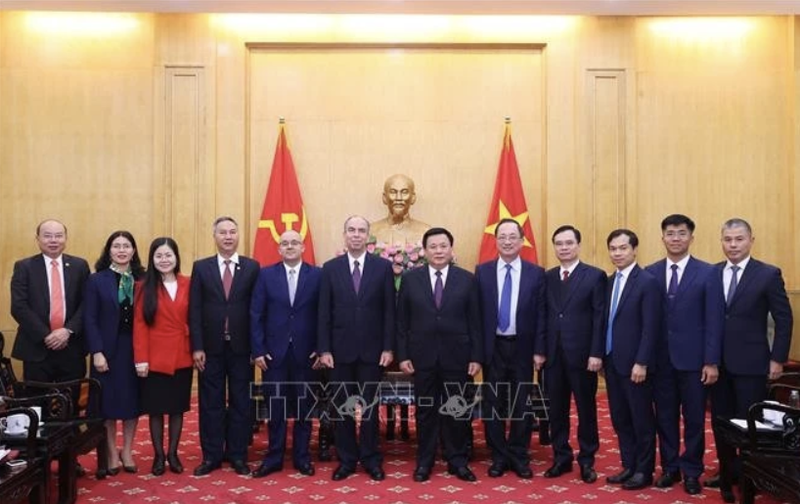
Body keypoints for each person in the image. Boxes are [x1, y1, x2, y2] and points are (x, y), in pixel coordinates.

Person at [709, 218, 793, 502]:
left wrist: (777, 358)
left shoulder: (768, 274)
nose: (732, 245)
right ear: (721, 241)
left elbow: (784, 319)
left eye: (738, 239)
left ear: (750, 240)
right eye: (727, 239)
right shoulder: (713, 272)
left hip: (752, 363)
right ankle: (726, 471)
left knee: (748, 424)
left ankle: (750, 476)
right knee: (721, 423)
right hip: (716, 364)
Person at [644, 215, 724, 495]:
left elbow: (714, 320)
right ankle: (669, 467)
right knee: (664, 417)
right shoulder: (650, 273)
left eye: (681, 233)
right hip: (661, 361)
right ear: (662, 237)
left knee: (693, 419)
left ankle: (691, 470)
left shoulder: (708, 272)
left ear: (691, 237)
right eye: (670, 233)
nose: (675, 238)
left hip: (694, 362)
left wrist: (711, 360)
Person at [397, 227, 483, 483]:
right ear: (424, 251)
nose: (438, 251)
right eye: (432, 246)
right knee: (425, 411)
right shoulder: (411, 279)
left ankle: (457, 461)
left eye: (443, 246)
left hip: (458, 357)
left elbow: (475, 321)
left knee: (456, 410)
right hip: (422, 358)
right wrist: (403, 355)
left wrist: (476, 357)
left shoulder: (467, 279)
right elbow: (402, 322)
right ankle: (425, 461)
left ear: (451, 249)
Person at [10, 219, 91, 475]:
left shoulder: (79, 266)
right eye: (48, 236)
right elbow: (19, 307)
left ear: (65, 238)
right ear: (38, 238)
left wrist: (67, 331)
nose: (53, 240)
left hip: (71, 346)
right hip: (37, 348)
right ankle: (38, 460)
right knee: (37, 405)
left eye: (58, 235)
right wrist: (47, 335)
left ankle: (70, 458)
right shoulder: (24, 267)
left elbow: (86, 305)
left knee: (70, 405)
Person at [317, 215, 395, 481]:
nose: (356, 235)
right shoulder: (330, 268)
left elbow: (389, 312)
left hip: (373, 352)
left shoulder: (383, 267)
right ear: (344, 234)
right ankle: (347, 459)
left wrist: (388, 347)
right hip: (339, 353)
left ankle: (372, 458)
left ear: (368, 236)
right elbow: (323, 313)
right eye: (351, 230)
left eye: (362, 230)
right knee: (343, 408)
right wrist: (324, 349)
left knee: (371, 408)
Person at [475, 218, 545, 479]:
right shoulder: (481, 272)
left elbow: (541, 315)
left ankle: (518, 454)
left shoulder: (535, 273)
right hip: (493, 348)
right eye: (501, 237)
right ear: (496, 241)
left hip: (523, 349)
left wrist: (539, 349)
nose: (506, 241)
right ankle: (498, 455)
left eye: (512, 237)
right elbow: (476, 316)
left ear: (521, 240)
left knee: (520, 404)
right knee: (492, 404)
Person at [189, 216, 260, 476]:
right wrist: (197, 346)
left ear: (238, 235)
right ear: (214, 236)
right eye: (223, 233)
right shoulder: (202, 267)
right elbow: (194, 310)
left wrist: (257, 347)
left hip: (243, 348)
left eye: (232, 232)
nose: (228, 237)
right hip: (210, 348)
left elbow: (256, 310)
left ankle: (239, 455)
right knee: (210, 403)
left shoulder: (252, 267)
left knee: (242, 403)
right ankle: (211, 456)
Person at [250, 230, 321, 478]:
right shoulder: (266, 275)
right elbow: (256, 315)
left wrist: (321, 348)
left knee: (304, 408)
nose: (290, 246)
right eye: (285, 243)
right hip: (273, 355)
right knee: (276, 408)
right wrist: (258, 350)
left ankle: (302, 457)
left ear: (303, 247)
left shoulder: (317, 275)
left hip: (307, 354)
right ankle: (274, 457)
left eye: (294, 243)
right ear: (279, 249)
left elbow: (324, 315)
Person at [543, 225, 606, 484]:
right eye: (559, 243)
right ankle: (561, 457)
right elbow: (544, 315)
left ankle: (587, 459)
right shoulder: (547, 277)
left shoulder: (594, 276)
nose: (564, 248)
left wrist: (596, 353)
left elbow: (600, 318)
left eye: (569, 243)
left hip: (583, 357)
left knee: (586, 409)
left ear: (578, 245)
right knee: (556, 409)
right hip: (553, 356)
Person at [603, 229, 661, 490]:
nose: (617, 253)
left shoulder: (647, 281)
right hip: (613, 363)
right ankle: (629, 465)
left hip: (636, 365)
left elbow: (651, 327)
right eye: (613, 248)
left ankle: (644, 471)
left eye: (623, 248)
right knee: (620, 418)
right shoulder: (608, 281)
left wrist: (642, 361)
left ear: (634, 249)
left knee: (642, 420)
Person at [84, 230, 145, 475]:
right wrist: (97, 352)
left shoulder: (143, 279)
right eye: (116, 246)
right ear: (109, 250)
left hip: (135, 348)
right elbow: (90, 319)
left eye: (126, 246)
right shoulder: (96, 280)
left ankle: (127, 450)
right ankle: (110, 451)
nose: (121, 250)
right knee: (107, 404)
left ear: (133, 251)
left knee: (133, 402)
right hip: (107, 350)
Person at [133, 237, 193, 476]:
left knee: (177, 408)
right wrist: (141, 359)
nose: (164, 260)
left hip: (182, 353)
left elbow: (196, 319)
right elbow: (139, 326)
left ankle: (173, 454)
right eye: (159, 256)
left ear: (176, 257)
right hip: (154, 357)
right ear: (152, 259)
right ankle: (158, 456)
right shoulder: (142, 286)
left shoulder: (189, 283)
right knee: (156, 409)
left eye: (168, 255)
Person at [370, 174, 431, 245]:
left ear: (413, 198)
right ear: (384, 198)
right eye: (393, 192)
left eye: (404, 192)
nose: (398, 198)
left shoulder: (425, 231)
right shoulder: (371, 230)